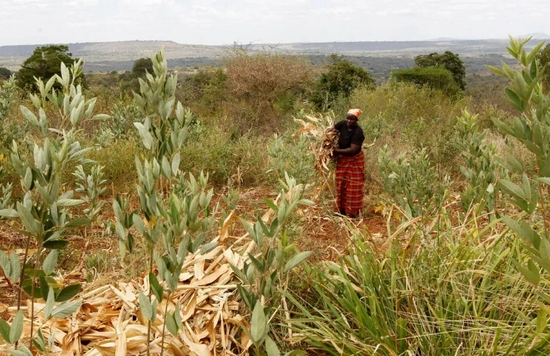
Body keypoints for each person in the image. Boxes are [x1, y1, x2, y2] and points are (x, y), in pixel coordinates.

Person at [333, 108, 365, 218]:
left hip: (354, 160)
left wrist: (335, 151)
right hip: (343, 160)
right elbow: (331, 131)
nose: (349, 121)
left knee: (353, 186)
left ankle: (352, 212)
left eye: (352, 120)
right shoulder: (342, 124)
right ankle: (341, 210)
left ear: (356, 120)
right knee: (340, 184)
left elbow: (353, 150)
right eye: (348, 119)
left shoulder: (358, 132)